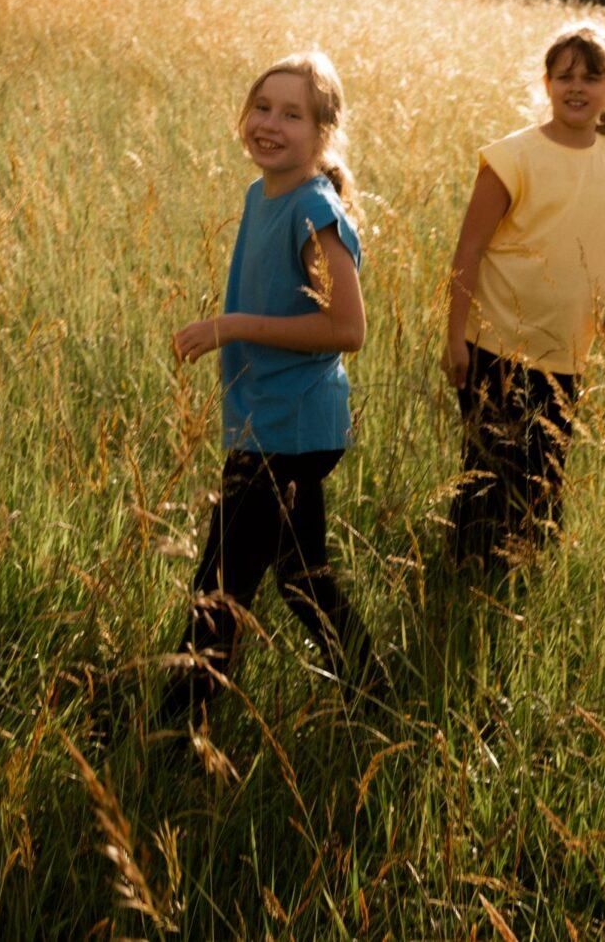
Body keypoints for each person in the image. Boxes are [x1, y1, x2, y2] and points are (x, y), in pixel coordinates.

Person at [157, 51, 381, 731]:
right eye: (262, 107)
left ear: (323, 134)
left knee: (221, 586)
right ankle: (372, 691)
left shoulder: (313, 209)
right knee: (299, 579)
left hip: (290, 430)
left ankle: (175, 730)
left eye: (293, 114)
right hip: (268, 421)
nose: (271, 124)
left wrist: (231, 326)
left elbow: (347, 327)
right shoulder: (265, 194)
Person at [441, 24, 605, 572]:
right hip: (494, 345)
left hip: (563, 351)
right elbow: (470, 249)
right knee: (487, 475)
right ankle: (463, 579)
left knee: (543, 478)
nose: (578, 87)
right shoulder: (513, 156)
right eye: (565, 75)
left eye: (592, 76)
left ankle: (523, 584)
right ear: (547, 83)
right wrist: (455, 335)